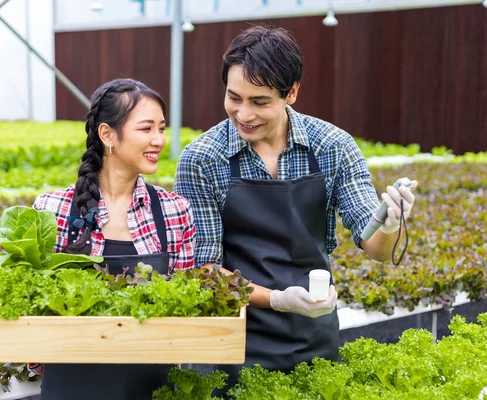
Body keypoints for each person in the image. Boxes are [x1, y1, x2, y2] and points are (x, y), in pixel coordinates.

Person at [173, 26, 417, 387]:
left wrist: (390, 223)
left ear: (292, 93)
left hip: (315, 334)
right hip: (237, 340)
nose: (243, 114)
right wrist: (278, 300)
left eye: (259, 102)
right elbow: (204, 271)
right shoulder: (202, 159)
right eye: (233, 98)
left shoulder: (333, 147)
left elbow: (375, 248)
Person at [32, 78, 196, 399]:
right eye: (146, 129)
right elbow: (34, 312)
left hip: (151, 386)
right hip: (71, 385)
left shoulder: (174, 211)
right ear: (108, 134)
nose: (159, 140)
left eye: (161, 129)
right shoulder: (53, 210)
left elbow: (186, 314)